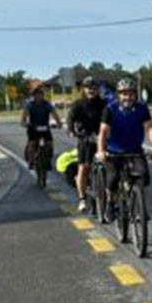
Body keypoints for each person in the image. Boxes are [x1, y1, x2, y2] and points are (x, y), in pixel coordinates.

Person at [96, 79, 152, 209]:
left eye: (131, 94)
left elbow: (149, 128)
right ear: (119, 95)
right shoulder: (110, 108)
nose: (127, 97)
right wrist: (101, 151)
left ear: (135, 95)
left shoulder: (142, 108)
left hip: (135, 149)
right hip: (113, 151)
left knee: (143, 176)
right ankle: (110, 200)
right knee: (113, 178)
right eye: (124, 94)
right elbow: (103, 131)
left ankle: (139, 206)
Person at [67, 76, 108, 212]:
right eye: (88, 88)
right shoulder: (78, 104)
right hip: (85, 138)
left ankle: (109, 195)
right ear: (84, 89)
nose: (91, 90)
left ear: (98, 90)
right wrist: (71, 130)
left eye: (94, 88)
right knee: (83, 168)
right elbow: (71, 118)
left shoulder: (104, 104)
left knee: (110, 166)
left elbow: (111, 119)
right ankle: (82, 199)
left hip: (101, 138)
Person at [20, 85, 62, 167]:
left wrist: (58, 123)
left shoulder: (47, 104)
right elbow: (24, 116)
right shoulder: (30, 105)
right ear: (33, 96)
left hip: (45, 127)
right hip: (33, 127)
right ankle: (31, 160)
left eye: (40, 94)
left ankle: (48, 160)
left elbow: (54, 113)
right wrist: (24, 123)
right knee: (32, 143)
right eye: (36, 94)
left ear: (42, 95)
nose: (38, 96)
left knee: (49, 144)